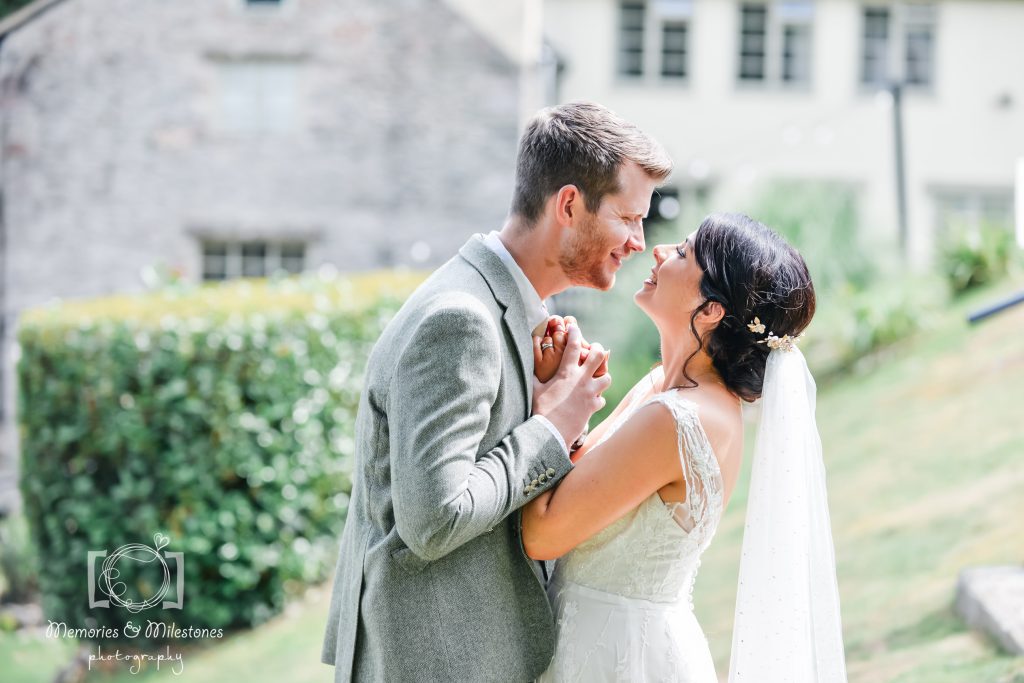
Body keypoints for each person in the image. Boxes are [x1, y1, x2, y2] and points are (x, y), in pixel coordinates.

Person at [320, 101, 673, 682]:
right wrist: (550, 431)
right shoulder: (460, 320)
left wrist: (550, 411)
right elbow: (433, 520)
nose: (638, 241)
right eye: (628, 218)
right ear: (568, 204)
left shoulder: (499, 308)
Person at [524, 213, 848, 682]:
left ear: (711, 309)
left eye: (681, 253)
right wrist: (565, 389)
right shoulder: (662, 388)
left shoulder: (679, 420)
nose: (658, 251)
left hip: (621, 658)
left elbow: (542, 534)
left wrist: (548, 411)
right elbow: (575, 477)